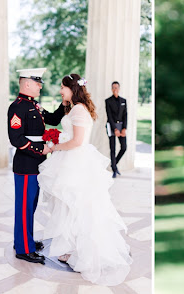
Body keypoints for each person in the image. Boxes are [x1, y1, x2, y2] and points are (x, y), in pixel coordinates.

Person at [38, 74, 133, 286]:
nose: (61, 91)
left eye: (63, 87)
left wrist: (54, 146)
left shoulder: (79, 109)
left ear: (72, 88)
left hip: (76, 163)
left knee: (79, 207)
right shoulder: (74, 108)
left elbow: (77, 141)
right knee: (72, 206)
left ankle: (82, 252)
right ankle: (72, 248)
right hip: (72, 161)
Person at [8, 67, 65, 264]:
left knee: (29, 206)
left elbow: (54, 120)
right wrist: (39, 150)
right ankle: (24, 249)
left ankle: (25, 240)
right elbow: (16, 138)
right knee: (24, 207)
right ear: (27, 84)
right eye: (37, 82)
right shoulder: (17, 107)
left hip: (36, 164)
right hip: (25, 163)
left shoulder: (33, 105)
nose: (41, 85)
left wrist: (65, 103)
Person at [105, 81, 128, 178]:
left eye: (116, 87)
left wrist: (124, 129)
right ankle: (114, 169)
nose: (115, 89)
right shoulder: (108, 101)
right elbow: (109, 116)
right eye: (113, 87)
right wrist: (115, 129)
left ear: (119, 88)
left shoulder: (123, 101)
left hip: (121, 126)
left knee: (123, 147)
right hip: (111, 126)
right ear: (111, 89)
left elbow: (125, 115)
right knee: (113, 148)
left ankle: (114, 164)